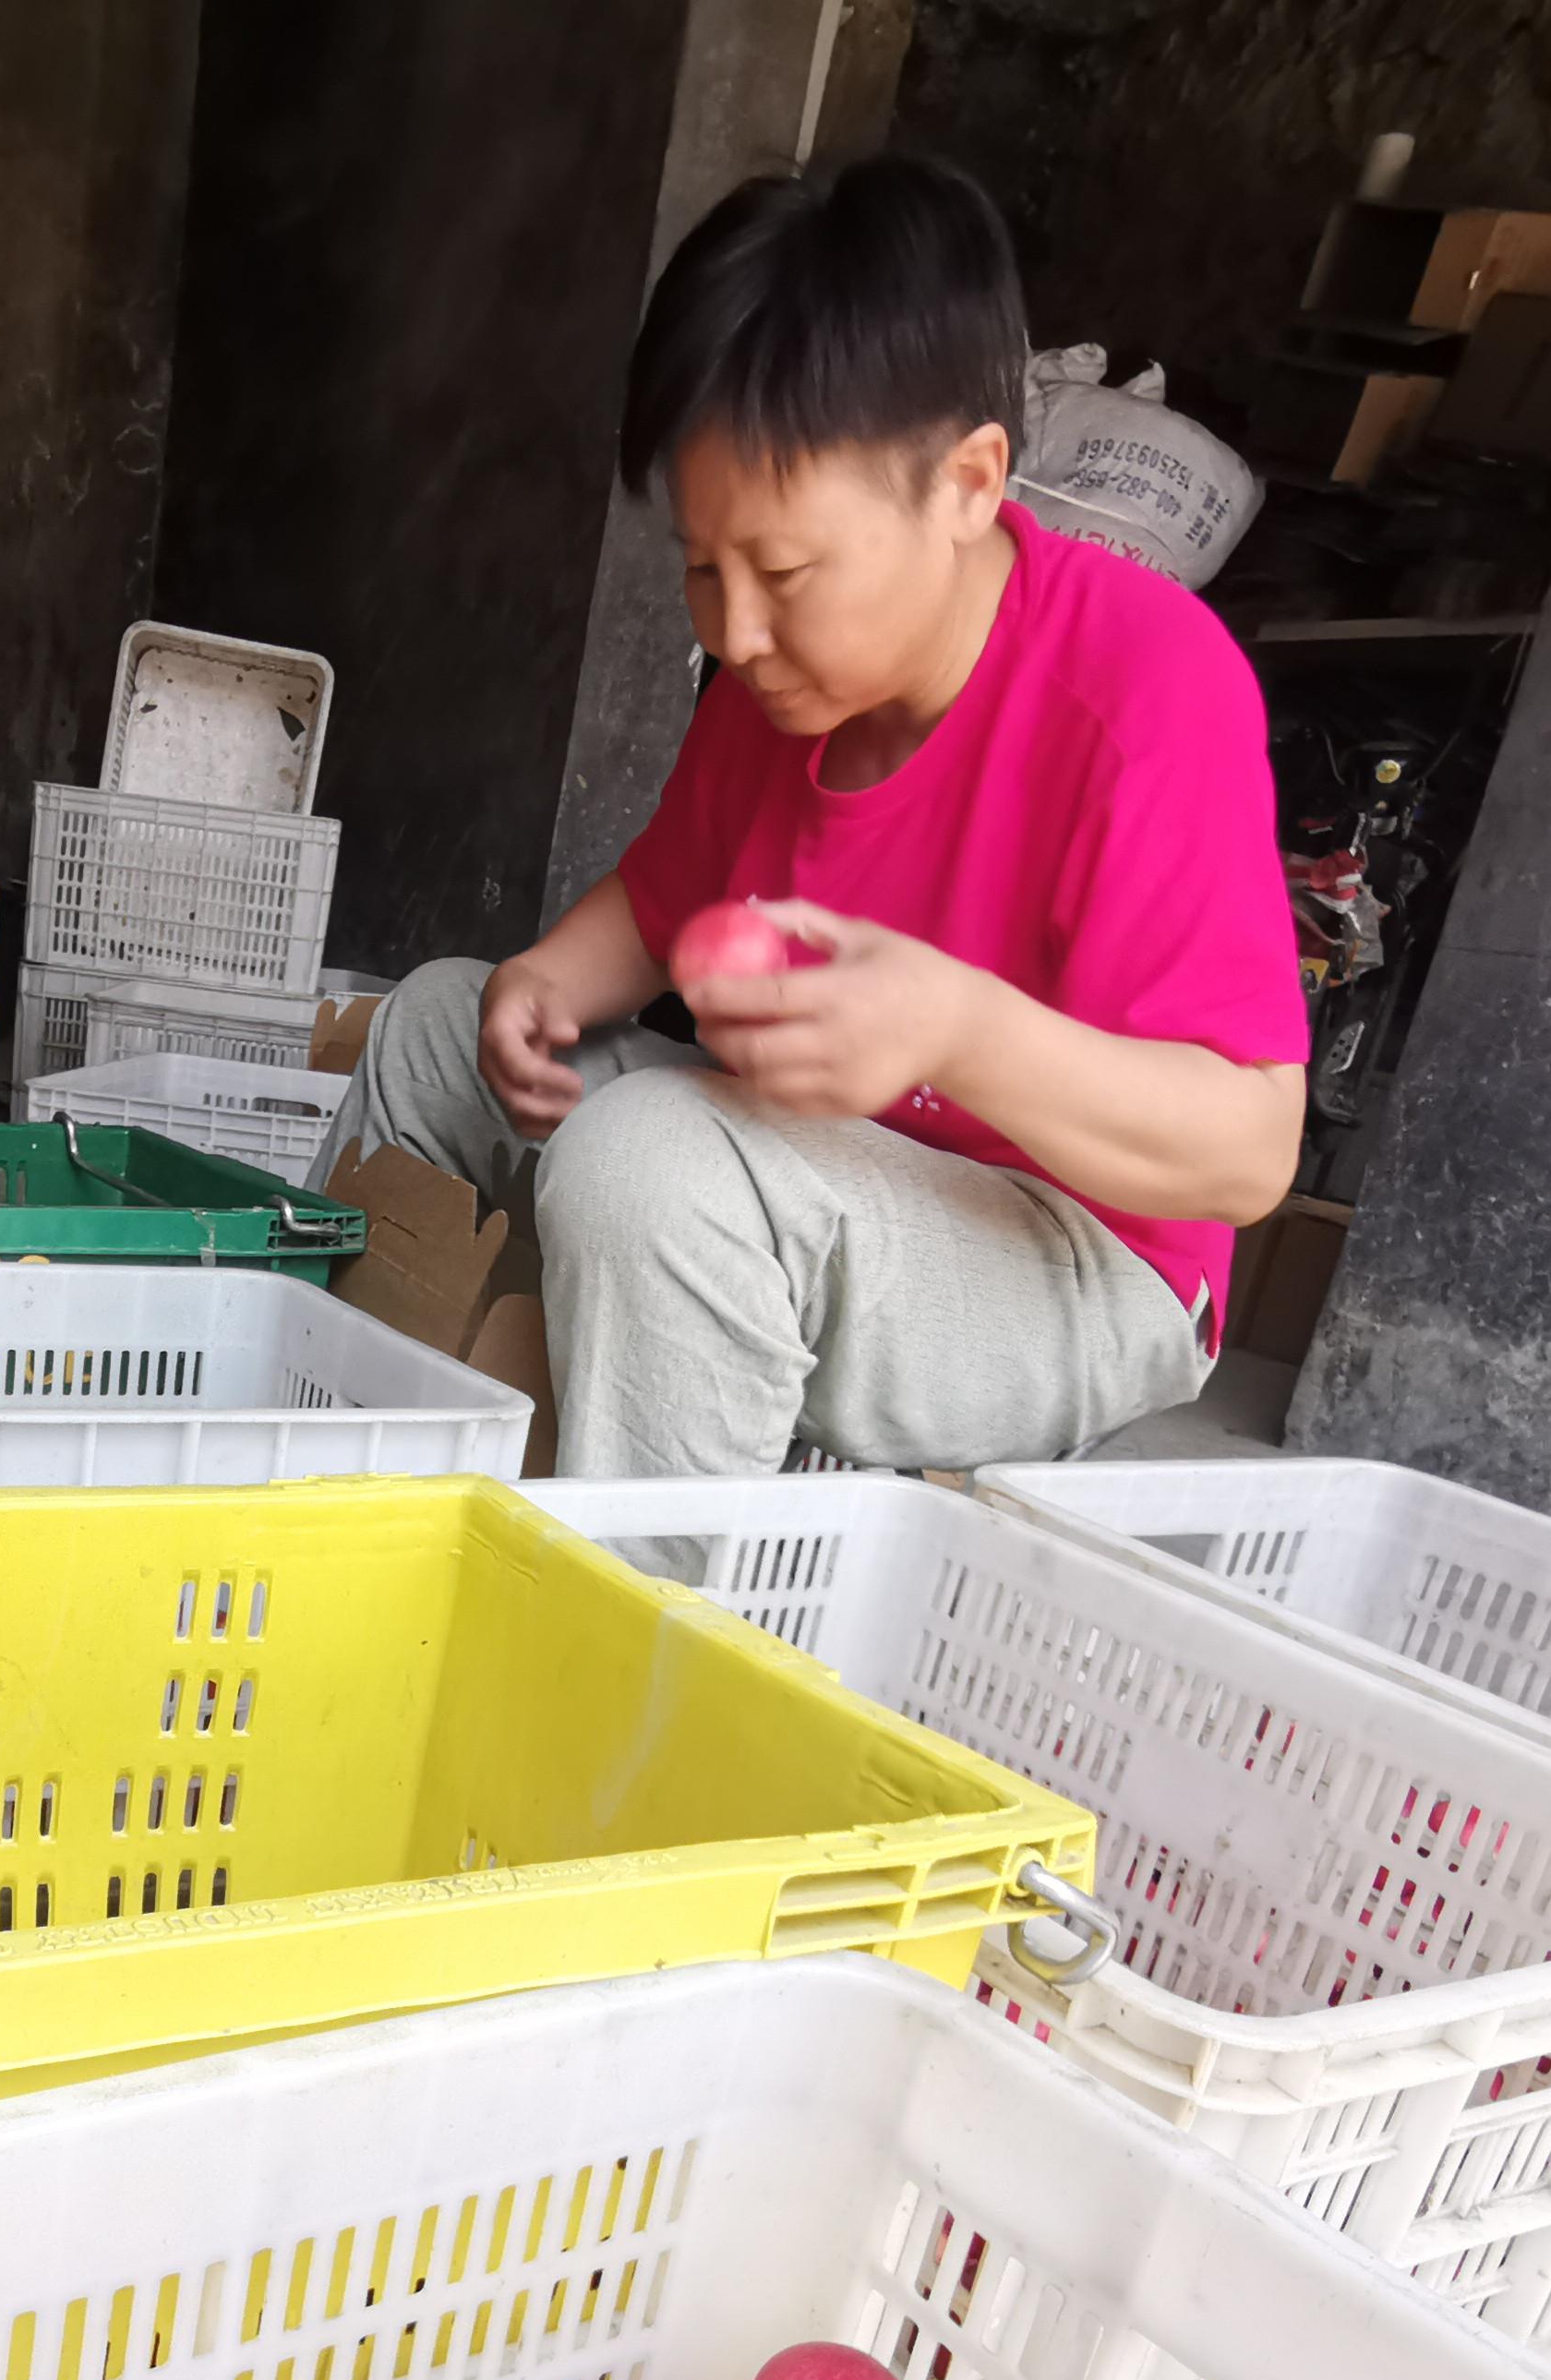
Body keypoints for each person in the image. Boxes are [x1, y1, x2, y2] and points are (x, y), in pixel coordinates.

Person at [329, 155, 1304, 1480]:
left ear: (968, 484)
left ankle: (645, 1648)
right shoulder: (777, 682)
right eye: (700, 570)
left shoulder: (1144, 688)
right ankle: (334, 1494)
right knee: (436, 1025)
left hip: (1078, 1259)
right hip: (818, 1171)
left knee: (651, 1169)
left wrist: (954, 1027)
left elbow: (1247, 1152)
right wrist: (548, 980)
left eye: (783, 572)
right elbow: (667, 898)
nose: (735, 629)